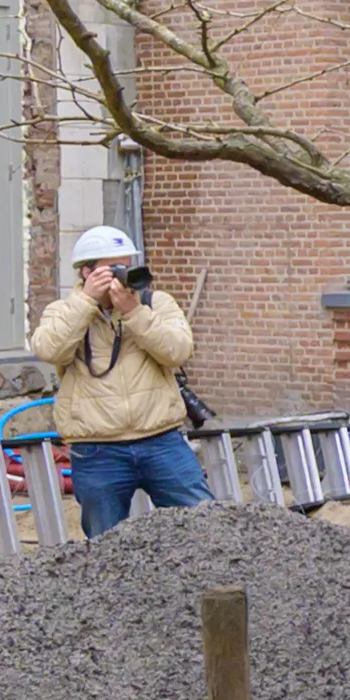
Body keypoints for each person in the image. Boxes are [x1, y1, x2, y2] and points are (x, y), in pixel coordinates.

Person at [29, 224, 211, 536]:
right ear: (86, 272)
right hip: (98, 449)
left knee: (206, 527)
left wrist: (135, 313)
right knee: (104, 543)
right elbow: (49, 350)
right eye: (112, 268)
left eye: (126, 266)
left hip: (162, 439)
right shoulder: (64, 311)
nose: (122, 275)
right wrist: (86, 303)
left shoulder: (155, 304)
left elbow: (178, 352)